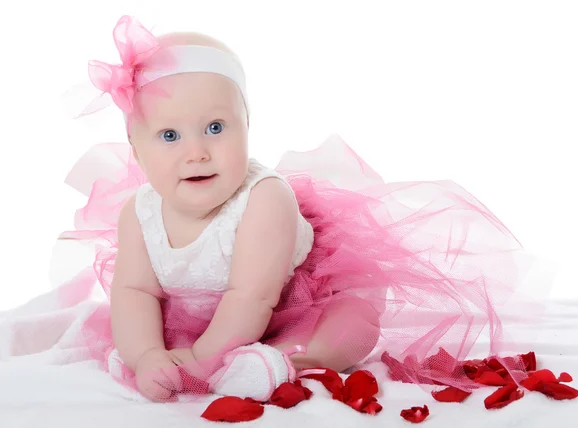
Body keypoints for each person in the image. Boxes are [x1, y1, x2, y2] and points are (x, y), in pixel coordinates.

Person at [60, 15, 544, 403]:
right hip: (198, 318)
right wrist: (147, 354)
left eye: (215, 127)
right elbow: (134, 292)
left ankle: (279, 359)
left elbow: (251, 297)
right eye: (169, 136)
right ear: (135, 147)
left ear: (247, 124)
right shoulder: (139, 214)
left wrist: (201, 361)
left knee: (351, 329)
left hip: (285, 307)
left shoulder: (263, 199)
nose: (196, 152)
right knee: (127, 333)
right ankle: (208, 359)